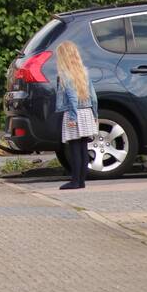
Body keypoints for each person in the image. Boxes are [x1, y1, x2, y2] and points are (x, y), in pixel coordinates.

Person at [55, 41, 98, 190]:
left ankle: (74, 181)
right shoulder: (84, 72)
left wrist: (72, 117)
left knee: (74, 148)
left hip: (74, 113)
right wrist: (95, 114)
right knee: (83, 147)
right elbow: (93, 97)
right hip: (87, 112)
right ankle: (81, 181)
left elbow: (72, 98)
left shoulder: (64, 75)